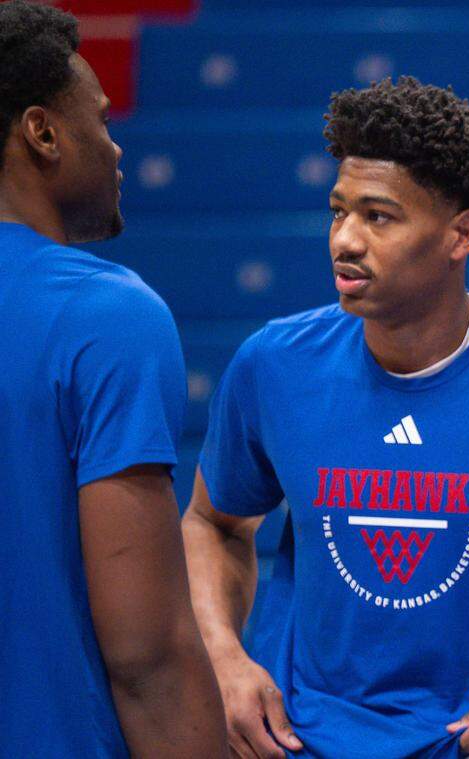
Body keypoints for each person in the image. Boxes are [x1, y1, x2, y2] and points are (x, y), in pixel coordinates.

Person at [182, 76, 469, 759]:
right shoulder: (273, 364)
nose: (345, 239)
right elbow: (214, 522)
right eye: (338, 211)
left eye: (379, 216)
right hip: (299, 742)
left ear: (461, 234)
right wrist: (222, 657)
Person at [0, 2, 227, 756]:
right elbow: (147, 657)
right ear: (42, 132)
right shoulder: (103, 313)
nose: (117, 147)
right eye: (100, 120)